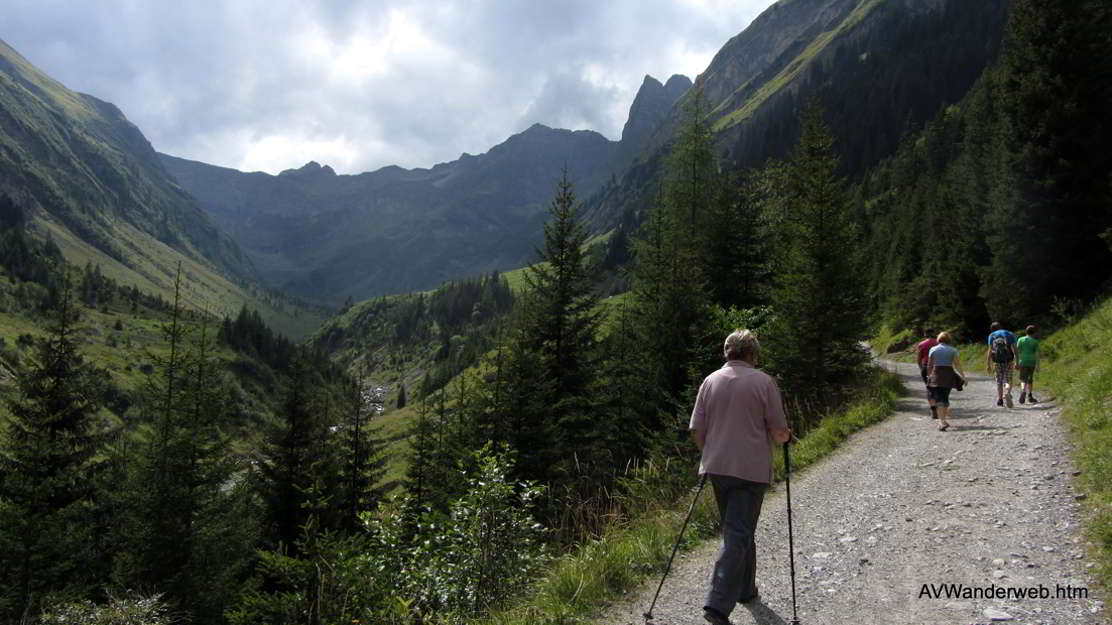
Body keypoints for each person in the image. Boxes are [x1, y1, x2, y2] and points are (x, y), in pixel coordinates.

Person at [690, 329, 791, 625]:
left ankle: (746, 590)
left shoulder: (709, 381)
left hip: (717, 466)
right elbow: (778, 431)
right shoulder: (763, 382)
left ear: (727, 352)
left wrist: (709, 452)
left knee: (738, 528)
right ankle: (717, 604)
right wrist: (785, 438)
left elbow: (697, 430)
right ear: (752, 354)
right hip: (751, 470)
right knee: (738, 531)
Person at [927, 331, 966, 431]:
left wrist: (929, 376)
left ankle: (942, 421)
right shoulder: (953, 350)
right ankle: (942, 420)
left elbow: (930, 365)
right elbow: (957, 365)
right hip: (948, 375)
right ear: (949, 339)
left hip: (936, 374)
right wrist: (963, 377)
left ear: (938, 339)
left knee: (939, 398)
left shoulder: (933, 349)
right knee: (944, 397)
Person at [985, 321, 1017, 408]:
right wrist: (1017, 361)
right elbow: (1015, 349)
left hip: (997, 361)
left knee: (999, 381)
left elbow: (990, 350)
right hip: (1009, 360)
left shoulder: (992, 336)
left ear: (992, 329)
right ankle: (1007, 393)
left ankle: (1000, 400)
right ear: (1001, 327)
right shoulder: (1009, 334)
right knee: (1008, 379)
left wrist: (988, 364)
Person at [916, 328, 939, 418]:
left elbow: (918, 359)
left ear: (925, 334)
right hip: (938, 367)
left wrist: (922, 368)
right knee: (939, 387)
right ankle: (939, 407)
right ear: (933, 333)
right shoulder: (938, 343)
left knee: (929, 388)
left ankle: (933, 408)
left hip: (926, 367)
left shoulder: (921, 344)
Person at [1016, 325, 1039, 404]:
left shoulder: (1020, 339)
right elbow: (1037, 354)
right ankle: (1030, 395)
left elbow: (1017, 352)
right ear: (1034, 333)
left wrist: (1016, 362)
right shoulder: (1035, 341)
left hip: (1023, 361)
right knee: (1030, 379)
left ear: (1026, 331)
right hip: (1031, 362)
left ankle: (1023, 391)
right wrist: (1038, 366)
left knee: (1023, 379)